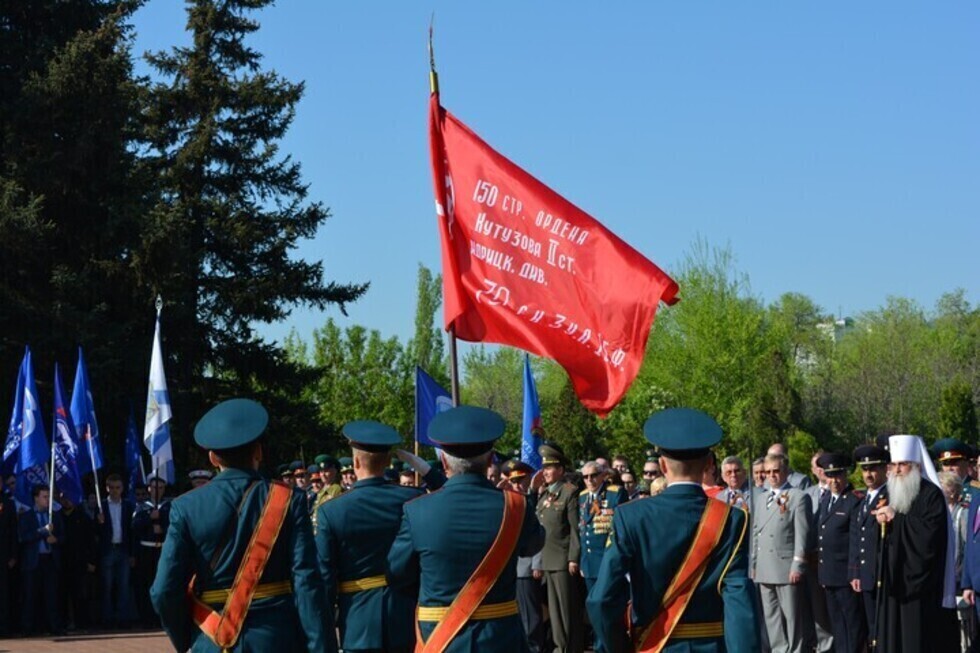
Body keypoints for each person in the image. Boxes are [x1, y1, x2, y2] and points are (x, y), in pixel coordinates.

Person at [150, 398, 332, 652]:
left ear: (213, 458)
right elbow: (307, 583)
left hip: (211, 640)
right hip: (278, 640)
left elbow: (163, 591)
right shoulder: (290, 500)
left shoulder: (185, 507)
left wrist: (190, 638)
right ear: (258, 451)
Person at [586, 408, 758, 652]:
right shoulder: (732, 518)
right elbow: (739, 599)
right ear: (710, 464)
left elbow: (601, 599)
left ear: (662, 465)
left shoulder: (630, 516)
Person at [387, 405, 544, 651]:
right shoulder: (516, 506)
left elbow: (397, 573)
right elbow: (533, 546)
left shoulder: (416, 511)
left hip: (441, 640)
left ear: (443, 462)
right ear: (491, 460)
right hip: (500, 639)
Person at [314, 420, 423, 653]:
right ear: (387, 462)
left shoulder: (331, 511)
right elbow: (447, 493)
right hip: (405, 615)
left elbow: (325, 578)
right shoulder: (412, 499)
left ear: (354, 462)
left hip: (357, 621)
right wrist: (425, 469)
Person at [874, 434, 959, 652]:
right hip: (894, 583)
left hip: (921, 590)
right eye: (893, 465)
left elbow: (929, 539)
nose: (897, 470)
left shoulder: (931, 495)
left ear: (916, 465)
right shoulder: (888, 492)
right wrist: (880, 521)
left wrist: (897, 518)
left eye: (903, 464)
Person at [752, 452, 812, 653]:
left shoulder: (798, 497)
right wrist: (753, 564)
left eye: (776, 471)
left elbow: (802, 534)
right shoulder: (761, 499)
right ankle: (779, 650)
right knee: (771, 617)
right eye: (768, 472)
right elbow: (755, 534)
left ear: (785, 471)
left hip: (786, 566)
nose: (771, 475)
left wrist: (797, 564)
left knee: (792, 616)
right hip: (764, 566)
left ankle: (796, 650)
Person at [814, 453, 865, 653]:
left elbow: (854, 540)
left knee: (852, 624)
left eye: (838, 476)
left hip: (845, 575)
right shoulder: (826, 499)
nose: (834, 481)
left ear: (845, 475)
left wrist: (854, 572)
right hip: (829, 573)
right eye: (830, 476)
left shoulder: (853, 500)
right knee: (837, 623)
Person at [536, 440, 584, 653]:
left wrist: (573, 557)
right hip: (548, 560)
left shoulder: (569, 492)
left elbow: (575, 529)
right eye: (544, 467)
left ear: (560, 469)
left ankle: (568, 648)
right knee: (554, 613)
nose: (545, 472)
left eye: (549, 467)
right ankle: (559, 647)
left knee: (566, 612)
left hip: (563, 560)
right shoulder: (544, 495)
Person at [578, 461, 627, 652]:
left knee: (608, 607)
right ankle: (599, 646)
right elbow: (583, 530)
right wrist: (582, 559)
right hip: (589, 562)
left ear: (602, 475)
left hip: (607, 561)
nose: (589, 480)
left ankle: (608, 646)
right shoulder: (582, 497)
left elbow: (619, 528)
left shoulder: (615, 493)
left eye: (593, 476)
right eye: (585, 477)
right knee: (594, 608)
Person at [502, 459, 547, 653]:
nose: (518, 485)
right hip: (509, 569)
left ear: (530, 479)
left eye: (522, 480)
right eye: (514, 481)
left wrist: (537, 564)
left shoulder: (531, 502)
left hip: (526, 568)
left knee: (531, 619)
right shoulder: (506, 502)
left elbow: (538, 534)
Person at [848, 444, 889, 647]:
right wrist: (855, 572)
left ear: (884, 469)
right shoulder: (863, 500)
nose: (869, 474)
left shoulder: (889, 497)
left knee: (881, 628)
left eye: (873, 469)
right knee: (869, 627)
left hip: (882, 575)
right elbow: (857, 539)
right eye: (865, 470)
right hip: (866, 576)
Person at [18, 485, 64, 635]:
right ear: (36, 498)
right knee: (30, 596)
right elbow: (24, 537)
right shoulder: (27, 516)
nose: (48, 500)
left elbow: (64, 537)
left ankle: (54, 627)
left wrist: (56, 539)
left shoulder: (55, 516)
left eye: (49, 497)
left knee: (52, 596)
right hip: (33, 562)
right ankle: (27, 628)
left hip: (50, 560)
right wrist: (42, 531)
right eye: (44, 497)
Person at [938, 471, 972, 650]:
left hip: (958, 578)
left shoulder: (962, 513)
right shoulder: (939, 512)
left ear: (952, 491)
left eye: (942, 484)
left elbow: (968, 547)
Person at [804, 452, 835, 653]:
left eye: (825, 465)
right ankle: (823, 646)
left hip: (834, 560)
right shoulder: (806, 494)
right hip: (812, 559)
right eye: (818, 466)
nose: (822, 469)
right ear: (813, 470)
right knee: (816, 609)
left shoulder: (841, 491)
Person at [97, 473, 135, 628]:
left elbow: (132, 531)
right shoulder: (101, 507)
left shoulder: (128, 506)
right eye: (111, 487)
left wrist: (132, 554)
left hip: (123, 550)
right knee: (106, 587)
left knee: (123, 586)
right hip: (108, 550)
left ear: (122, 489)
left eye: (117, 487)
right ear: (107, 488)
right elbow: (94, 533)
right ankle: (107, 620)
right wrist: (98, 522)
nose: (114, 491)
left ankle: (122, 620)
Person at [132, 474, 170, 628]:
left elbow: (174, 526)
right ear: (148, 488)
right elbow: (134, 527)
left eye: (160, 488)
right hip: (145, 551)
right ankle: (146, 619)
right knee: (144, 586)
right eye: (153, 487)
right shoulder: (141, 507)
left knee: (161, 585)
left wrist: (162, 527)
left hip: (161, 550)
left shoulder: (168, 506)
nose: (156, 491)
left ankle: (160, 618)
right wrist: (150, 518)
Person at [58, 491, 98, 632]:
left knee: (80, 595)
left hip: (80, 563)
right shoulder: (57, 517)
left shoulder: (83, 517)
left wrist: (92, 561)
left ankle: (82, 624)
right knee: (61, 595)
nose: (66, 501)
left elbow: (91, 541)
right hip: (61, 563)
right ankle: (63, 624)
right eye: (63, 498)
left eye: (69, 498)